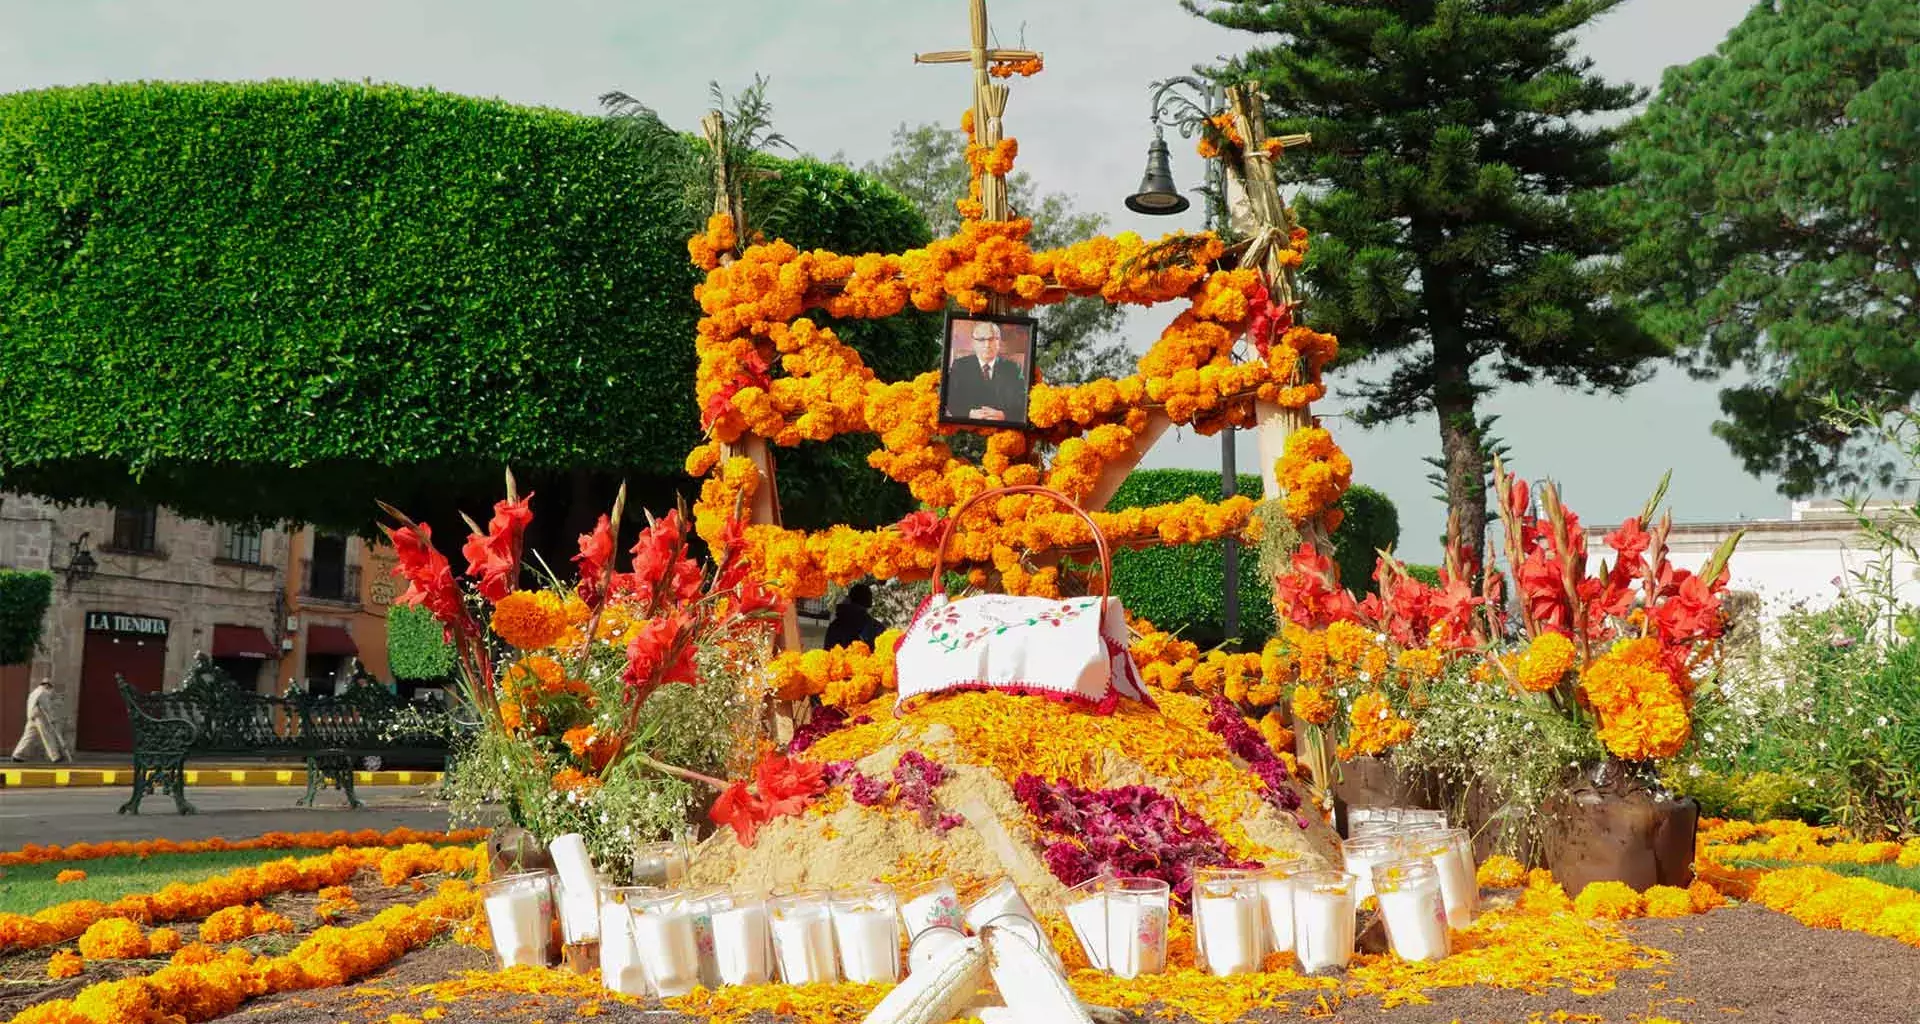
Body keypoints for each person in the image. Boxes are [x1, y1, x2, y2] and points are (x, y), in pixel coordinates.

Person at [945, 320, 1028, 423]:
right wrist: (969, 413)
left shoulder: (1013, 369)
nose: (987, 345)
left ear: (999, 342)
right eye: (981, 339)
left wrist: (1004, 415)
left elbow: (1022, 403)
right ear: (974, 343)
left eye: (992, 339)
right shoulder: (960, 366)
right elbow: (950, 399)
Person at [10, 674, 71, 764]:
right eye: (50, 687)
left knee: (28, 736)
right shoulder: (43, 693)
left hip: (32, 717)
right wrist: (52, 719)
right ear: (47, 685)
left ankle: (18, 755)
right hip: (40, 717)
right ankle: (55, 756)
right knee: (48, 736)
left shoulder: (34, 692)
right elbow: (46, 707)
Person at [824, 583, 885, 650]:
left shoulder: (835, 625)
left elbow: (827, 654)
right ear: (868, 605)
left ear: (849, 600)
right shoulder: (877, 628)